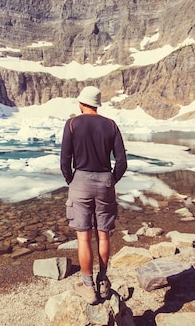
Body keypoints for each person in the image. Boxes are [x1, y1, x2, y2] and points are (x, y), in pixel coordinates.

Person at [60, 86, 127, 304]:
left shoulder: (72, 123)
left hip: (80, 181)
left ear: (81, 103)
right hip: (105, 180)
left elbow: (65, 160)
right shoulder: (110, 125)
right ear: (97, 103)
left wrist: (71, 179)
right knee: (104, 234)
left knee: (83, 236)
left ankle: (88, 287)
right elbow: (122, 162)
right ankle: (104, 281)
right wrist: (111, 180)